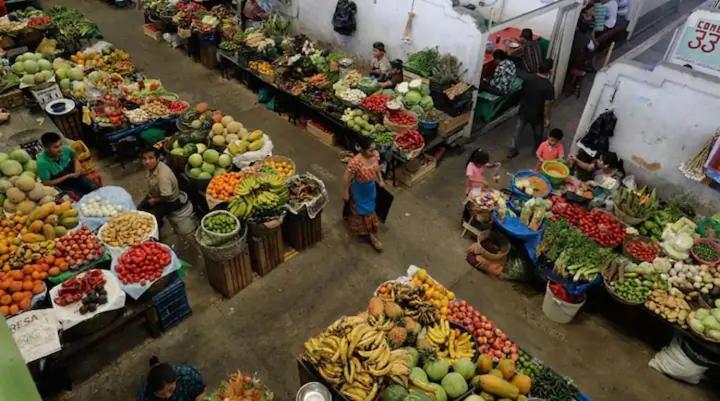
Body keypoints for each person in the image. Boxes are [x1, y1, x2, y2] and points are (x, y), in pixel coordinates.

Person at [342, 138, 385, 252]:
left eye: (374, 149)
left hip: (370, 188)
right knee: (361, 211)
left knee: (370, 209)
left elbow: (377, 169)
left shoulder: (375, 155)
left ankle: (371, 233)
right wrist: (345, 191)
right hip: (359, 190)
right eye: (370, 150)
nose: (374, 152)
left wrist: (380, 180)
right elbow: (347, 177)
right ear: (363, 150)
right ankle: (371, 236)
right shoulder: (355, 162)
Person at [508, 59, 555, 159]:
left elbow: (522, 92)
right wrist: (547, 119)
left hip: (524, 110)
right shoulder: (548, 87)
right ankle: (537, 151)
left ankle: (513, 150)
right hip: (537, 115)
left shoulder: (528, 78)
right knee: (538, 134)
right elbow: (547, 105)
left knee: (517, 132)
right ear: (549, 71)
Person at [37, 132, 98, 197]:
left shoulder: (66, 149)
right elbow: (47, 183)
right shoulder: (42, 163)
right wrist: (67, 176)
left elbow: (75, 157)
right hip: (62, 186)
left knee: (94, 188)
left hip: (76, 178)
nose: (60, 149)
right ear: (47, 149)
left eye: (61, 144)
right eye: (56, 147)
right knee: (79, 197)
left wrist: (77, 169)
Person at [138, 147, 182, 227]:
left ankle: (156, 232)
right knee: (140, 208)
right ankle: (159, 222)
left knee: (153, 217)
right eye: (144, 158)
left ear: (157, 159)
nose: (147, 162)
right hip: (156, 194)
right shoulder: (151, 167)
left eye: (151, 158)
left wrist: (154, 200)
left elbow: (167, 196)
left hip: (170, 201)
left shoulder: (163, 176)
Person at [137, 356, 205, 401]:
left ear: (176, 379)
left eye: (170, 389)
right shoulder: (145, 396)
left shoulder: (187, 375)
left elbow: (199, 392)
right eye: (161, 394)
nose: (168, 396)